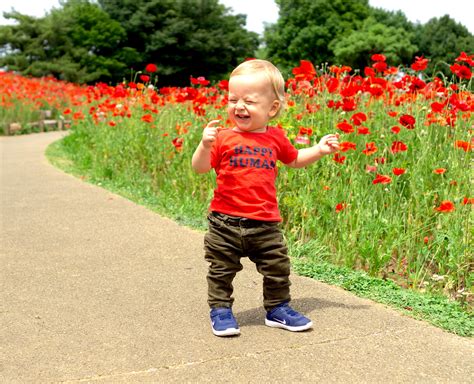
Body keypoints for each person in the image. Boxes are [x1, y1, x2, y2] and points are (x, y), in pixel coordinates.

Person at [192, 59, 340, 337]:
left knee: (277, 267)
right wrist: (204, 145)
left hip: (265, 223)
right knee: (221, 269)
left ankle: (277, 308)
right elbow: (199, 168)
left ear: (272, 108)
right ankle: (221, 310)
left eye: (248, 100)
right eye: (233, 99)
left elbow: (295, 159)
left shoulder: (276, 138)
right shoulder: (222, 138)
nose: (238, 106)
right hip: (224, 223)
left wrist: (318, 150)